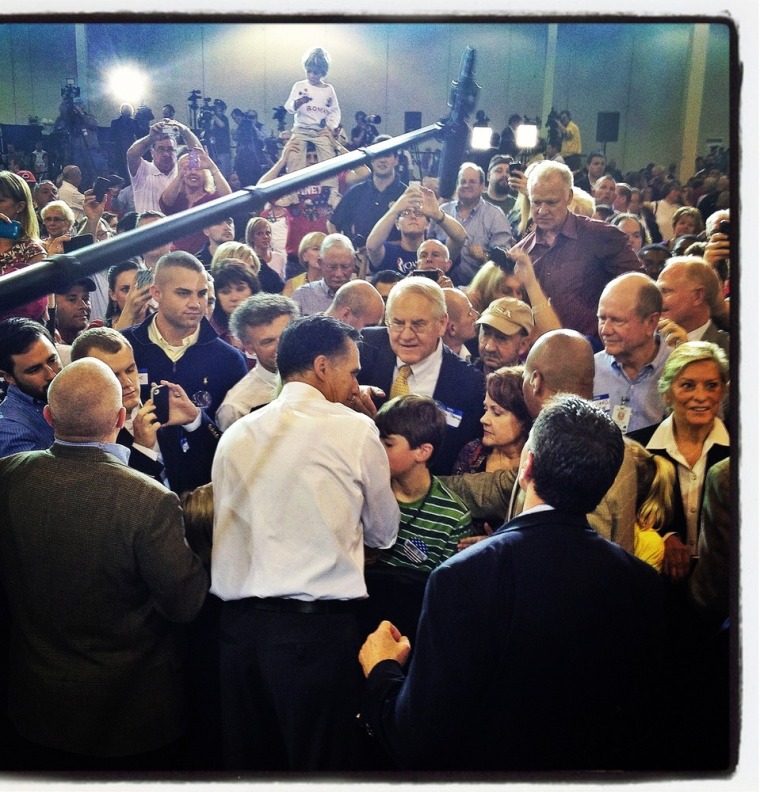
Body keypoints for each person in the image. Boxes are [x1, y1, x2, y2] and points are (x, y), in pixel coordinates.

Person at [359, 394, 664, 772]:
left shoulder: (463, 577)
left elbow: (413, 736)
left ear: (526, 466)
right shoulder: (643, 585)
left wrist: (382, 669)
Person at [211, 314, 399, 772]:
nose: (357, 384)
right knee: (320, 773)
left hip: (236, 636)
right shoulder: (354, 430)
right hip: (312, 638)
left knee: (250, 773)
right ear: (321, 366)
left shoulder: (236, 433)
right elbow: (383, 532)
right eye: (353, 372)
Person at [0, 358, 208, 769]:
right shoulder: (150, 499)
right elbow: (185, 606)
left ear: (47, 415)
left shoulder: (8, 474)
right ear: (119, 417)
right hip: (133, 716)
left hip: (35, 706)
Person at [357, 277, 485, 475]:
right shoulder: (366, 347)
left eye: (418, 324)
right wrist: (350, 392)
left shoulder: (469, 384)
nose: (406, 335)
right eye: (398, 323)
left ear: (442, 324)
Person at [70, 327, 221, 495]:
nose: (127, 382)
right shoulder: (87, 436)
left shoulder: (164, 406)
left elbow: (220, 465)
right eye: (113, 375)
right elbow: (121, 502)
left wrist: (195, 421)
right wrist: (142, 450)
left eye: (130, 369)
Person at [628, 341, 729, 582]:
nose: (701, 396)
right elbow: (626, 516)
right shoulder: (637, 449)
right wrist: (664, 537)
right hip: (658, 583)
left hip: (722, 589)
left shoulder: (743, 450)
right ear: (666, 392)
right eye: (688, 386)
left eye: (711, 386)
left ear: (722, 392)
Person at [511, 161, 640, 338]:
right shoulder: (521, 251)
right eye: (536, 203)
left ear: (569, 197)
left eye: (551, 203)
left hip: (595, 350)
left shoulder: (601, 236)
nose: (542, 210)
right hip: (539, 353)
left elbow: (640, 288)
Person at [121, 251, 248, 419]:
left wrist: (197, 422)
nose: (195, 303)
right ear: (156, 293)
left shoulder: (230, 359)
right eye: (183, 293)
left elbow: (233, 436)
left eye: (202, 293)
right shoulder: (126, 346)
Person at [594, 272, 672, 434]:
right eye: (602, 318)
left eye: (617, 320)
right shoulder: (590, 370)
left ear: (651, 323)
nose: (605, 330)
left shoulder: (680, 370)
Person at [215, 293, 300, 431]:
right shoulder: (237, 408)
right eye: (268, 342)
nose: (282, 346)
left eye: (287, 335)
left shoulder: (326, 376)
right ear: (249, 346)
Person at [433, 162, 513, 285]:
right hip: (439, 285)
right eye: (463, 181)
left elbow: (505, 260)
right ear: (457, 185)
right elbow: (428, 242)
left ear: (482, 186)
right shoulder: (443, 211)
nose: (466, 185)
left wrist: (484, 256)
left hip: (479, 289)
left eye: (472, 182)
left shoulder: (495, 216)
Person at [366, 184, 465, 275]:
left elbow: (461, 237)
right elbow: (372, 246)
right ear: (397, 224)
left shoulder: (437, 249)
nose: (413, 216)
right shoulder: (389, 252)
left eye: (418, 213)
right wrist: (395, 209)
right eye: (406, 213)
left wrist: (437, 214)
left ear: (427, 224)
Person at [328, 134, 407, 245]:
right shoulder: (356, 192)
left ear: (396, 160)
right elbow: (332, 224)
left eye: (387, 155)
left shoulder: (406, 195)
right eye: (378, 155)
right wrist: (344, 250)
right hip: (359, 259)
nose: (382, 160)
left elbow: (415, 237)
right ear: (371, 159)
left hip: (394, 260)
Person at [453, 365, 532, 475]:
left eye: (496, 413)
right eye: (486, 409)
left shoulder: (537, 467)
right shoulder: (473, 452)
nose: (483, 419)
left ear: (524, 418)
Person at [0, 318, 61, 456]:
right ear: (9, 377)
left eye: (52, 360)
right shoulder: (11, 431)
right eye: (34, 370)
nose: (51, 374)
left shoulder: (73, 389)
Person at [282, 47, 341, 181]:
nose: (312, 76)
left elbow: (335, 110)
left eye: (316, 72)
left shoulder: (328, 89)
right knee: (293, 157)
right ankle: (292, 192)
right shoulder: (299, 86)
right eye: (309, 71)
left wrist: (330, 127)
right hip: (301, 129)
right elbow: (288, 107)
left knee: (328, 159)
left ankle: (330, 191)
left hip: (320, 131)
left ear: (323, 72)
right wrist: (296, 104)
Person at [159, 147, 231, 253]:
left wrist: (211, 166)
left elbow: (228, 199)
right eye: (188, 168)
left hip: (204, 254)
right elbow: (165, 202)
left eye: (198, 169)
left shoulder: (212, 198)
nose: (193, 172)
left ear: (205, 173)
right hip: (176, 256)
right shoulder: (177, 198)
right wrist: (180, 174)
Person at [0, 171, 48, 324]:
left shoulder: (32, 251)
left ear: (19, 206)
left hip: (14, 335)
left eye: (0, 200)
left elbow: (38, 307)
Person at [126, 117, 202, 214]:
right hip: (150, 228)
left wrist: (185, 131)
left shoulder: (183, 171)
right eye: (161, 149)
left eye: (170, 149)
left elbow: (199, 155)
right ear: (152, 153)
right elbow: (131, 154)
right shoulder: (143, 170)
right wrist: (151, 138)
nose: (166, 154)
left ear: (176, 151)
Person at [656, 256, 730, 356]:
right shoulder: (651, 342)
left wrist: (687, 353)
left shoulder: (727, 351)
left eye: (665, 291)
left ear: (698, 296)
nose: (658, 299)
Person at [292, 232, 355, 315]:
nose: (338, 274)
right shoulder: (302, 296)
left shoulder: (364, 296)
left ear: (354, 263)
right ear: (320, 263)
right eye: (331, 267)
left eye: (345, 267)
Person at [473, 296, 534, 374]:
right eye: (485, 334)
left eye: (501, 338)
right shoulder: (462, 375)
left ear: (523, 344)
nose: (489, 347)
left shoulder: (532, 384)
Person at [209, 262, 261, 348]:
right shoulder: (209, 330)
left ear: (252, 290)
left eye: (240, 289)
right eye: (225, 292)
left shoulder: (267, 323)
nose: (234, 298)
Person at [282, 230, 325, 296]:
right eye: (316, 249)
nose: (321, 254)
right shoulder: (292, 284)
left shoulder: (336, 282)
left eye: (324, 249)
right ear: (304, 256)